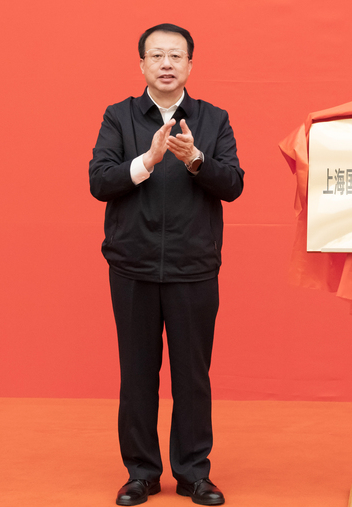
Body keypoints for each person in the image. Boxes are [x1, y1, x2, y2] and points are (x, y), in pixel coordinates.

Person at [89, 23, 243, 506]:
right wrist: (147, 161)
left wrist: (196, 159)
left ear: (190, 65)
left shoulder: (213, 119)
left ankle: (194, 473)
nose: (166, 64)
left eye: (176, 55)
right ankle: (141, 473)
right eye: (156, 55)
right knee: (137, 374)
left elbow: (233, 184)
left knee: (192, 375)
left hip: (193, 266)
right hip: (132, 265)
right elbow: (100, 181)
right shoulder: (119, 117)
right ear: (142, 65)